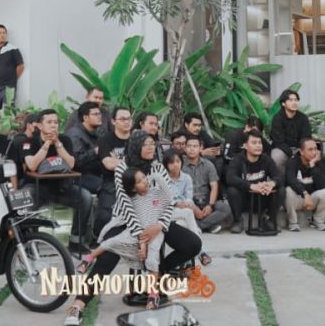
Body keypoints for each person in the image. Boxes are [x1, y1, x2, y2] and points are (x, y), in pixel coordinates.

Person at [62, 131, 202, 325]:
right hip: (127, 222)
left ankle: (157, 276)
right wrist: (141, 237)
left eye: (152, 144)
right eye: (146, 144)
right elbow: (126, 206)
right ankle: (78, 305)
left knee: (192, 244)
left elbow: (169, 201)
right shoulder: (123, 168)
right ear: (136, 146)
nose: (151, 147)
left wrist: (159, 226)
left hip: (155, 220)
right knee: (107, 257)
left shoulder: (158, 168)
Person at [75, 167, 169, 309]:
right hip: (136, 229)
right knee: (111, 243)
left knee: (152, 259)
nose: (144, 181)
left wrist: (155, 176)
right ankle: (89, 259)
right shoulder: (133, 199)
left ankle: (153, 294)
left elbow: (169, 198)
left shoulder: (157, 191)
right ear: (133, 188)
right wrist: (142, 243)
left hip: (156, 232)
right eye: (140, 181)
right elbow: (134, 219)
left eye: (144, 178)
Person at [22, 109, 92, 255]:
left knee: (85, 197)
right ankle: (30, 244)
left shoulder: (65, 140)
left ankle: (76, 241)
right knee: (26, 199)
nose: (54, 125)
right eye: (49, 122)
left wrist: (57, 143)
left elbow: (71, 164)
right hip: (37, 187)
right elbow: (32, 165)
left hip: (62, 187)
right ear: (39, 125)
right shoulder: (29, 141)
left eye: (56, 122)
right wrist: (47, 144)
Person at [226, 128, 283, 234]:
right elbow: (230, 178)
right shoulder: (237, 160)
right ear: (245, 145)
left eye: (260, 143)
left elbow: (279, 176)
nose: (258, 146)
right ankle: (238, 220)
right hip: (245, 199)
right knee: (232, 190)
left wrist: (271, 183)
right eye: (254, 143)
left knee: (280, 189)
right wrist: (251, 186)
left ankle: (269, 219)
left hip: (262, 197)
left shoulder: (266, 159)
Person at [163, 150, 212, 265]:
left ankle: (186, 261)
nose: (175, 165)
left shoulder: (186, 178)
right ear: (166, 165)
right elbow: (162, 200)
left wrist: (184, 203)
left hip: (182, 213)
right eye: (171, 162)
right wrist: (176, 203)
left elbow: (189, 198)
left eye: (178, 161)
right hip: (167, 212)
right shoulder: (162, 178)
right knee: (189, 214)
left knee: (184, 224)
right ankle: (201, 251)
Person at [94, 106, 133, 236]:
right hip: (112, 182)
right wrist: (130, 162)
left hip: (136, 181)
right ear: (113, 121)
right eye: (122, 119)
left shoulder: (137, 139)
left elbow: (143, 163)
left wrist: (118, 161)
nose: (127, 122)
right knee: (106, 215)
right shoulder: (105, 140)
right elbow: (109, 164)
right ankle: (100, 239)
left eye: (129, 119)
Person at [182, 136, 232, 234]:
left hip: (206, 201)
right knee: (181, 209)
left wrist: (210, 205)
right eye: (189, 146)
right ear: (185, 148)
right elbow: (178, 189)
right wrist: (192, 206)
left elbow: (214, 186)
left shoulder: (208, 165)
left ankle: (198, 226)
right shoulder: (180, 165)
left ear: (201, 148)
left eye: (195, 146)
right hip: (188, 201)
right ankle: (209, 225)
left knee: (225, 208)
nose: (192, 149)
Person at [284, 138, 325, 232]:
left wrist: (313, 166)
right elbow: (291, 180)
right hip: (298, 198)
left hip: (312, 200)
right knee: (288, 190)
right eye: (310, 150)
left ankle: (317, 220)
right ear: (301, 151)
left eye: (315, 149)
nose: (314, 152)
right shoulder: (292, 162)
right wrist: (305, 194)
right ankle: (293, 222)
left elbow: (323, 185)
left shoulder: (319, 163)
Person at [64, 101, 104, 194]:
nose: (99, 116)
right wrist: (95, 151)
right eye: (95, 114)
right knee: (108, 187)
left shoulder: (97, 133)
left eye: (99, 114)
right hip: (79, 176)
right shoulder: (74, 134)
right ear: (85, 117)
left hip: (96, 174)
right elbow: (77, 161)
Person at [269, 90, 311, 170]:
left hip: (300, 148)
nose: (294, 103)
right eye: (291, 100)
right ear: (283, 103)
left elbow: (306, 137)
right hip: (282, 148)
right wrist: (291, 153)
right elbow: (278, 141)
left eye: (296, 100)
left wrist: (301, 150)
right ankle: (281, 177)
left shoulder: (303, 118)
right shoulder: (277, 118)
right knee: (277, 157)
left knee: (314, 153)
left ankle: (308, 177)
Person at [0, 24, 25, 110]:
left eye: (4, 33)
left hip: (8, 87)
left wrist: (13, 78)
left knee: (8, 111)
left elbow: (21, 66)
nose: (2, 35)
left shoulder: (13, 49)